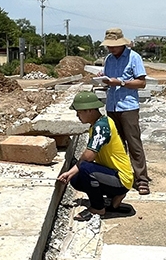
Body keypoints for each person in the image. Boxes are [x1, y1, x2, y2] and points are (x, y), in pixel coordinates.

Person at [57, 91, 134, 220]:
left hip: (121, 179)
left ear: (90, 110)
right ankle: (114, 198)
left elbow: (89, 156)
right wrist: (71, 173)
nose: (77, 115)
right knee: (76, 178)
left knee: (86, 168)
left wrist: (71, 171)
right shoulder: (98, 124)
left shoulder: (101, 127)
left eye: (79, 112)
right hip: (112, 174)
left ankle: (98, 208)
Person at [98, 27, 151, 195]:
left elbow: (141, 83)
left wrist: (121, 83)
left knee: (134, 143)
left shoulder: (134, 57)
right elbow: (107, 81)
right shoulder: (109, 59)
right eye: (109, 46)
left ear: (122, 44)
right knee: (117, 144)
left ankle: (141, 179)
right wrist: (103, 79)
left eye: (113, 46)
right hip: (111, 106)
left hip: (128, 107)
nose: (111, 49)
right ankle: (121, 176)